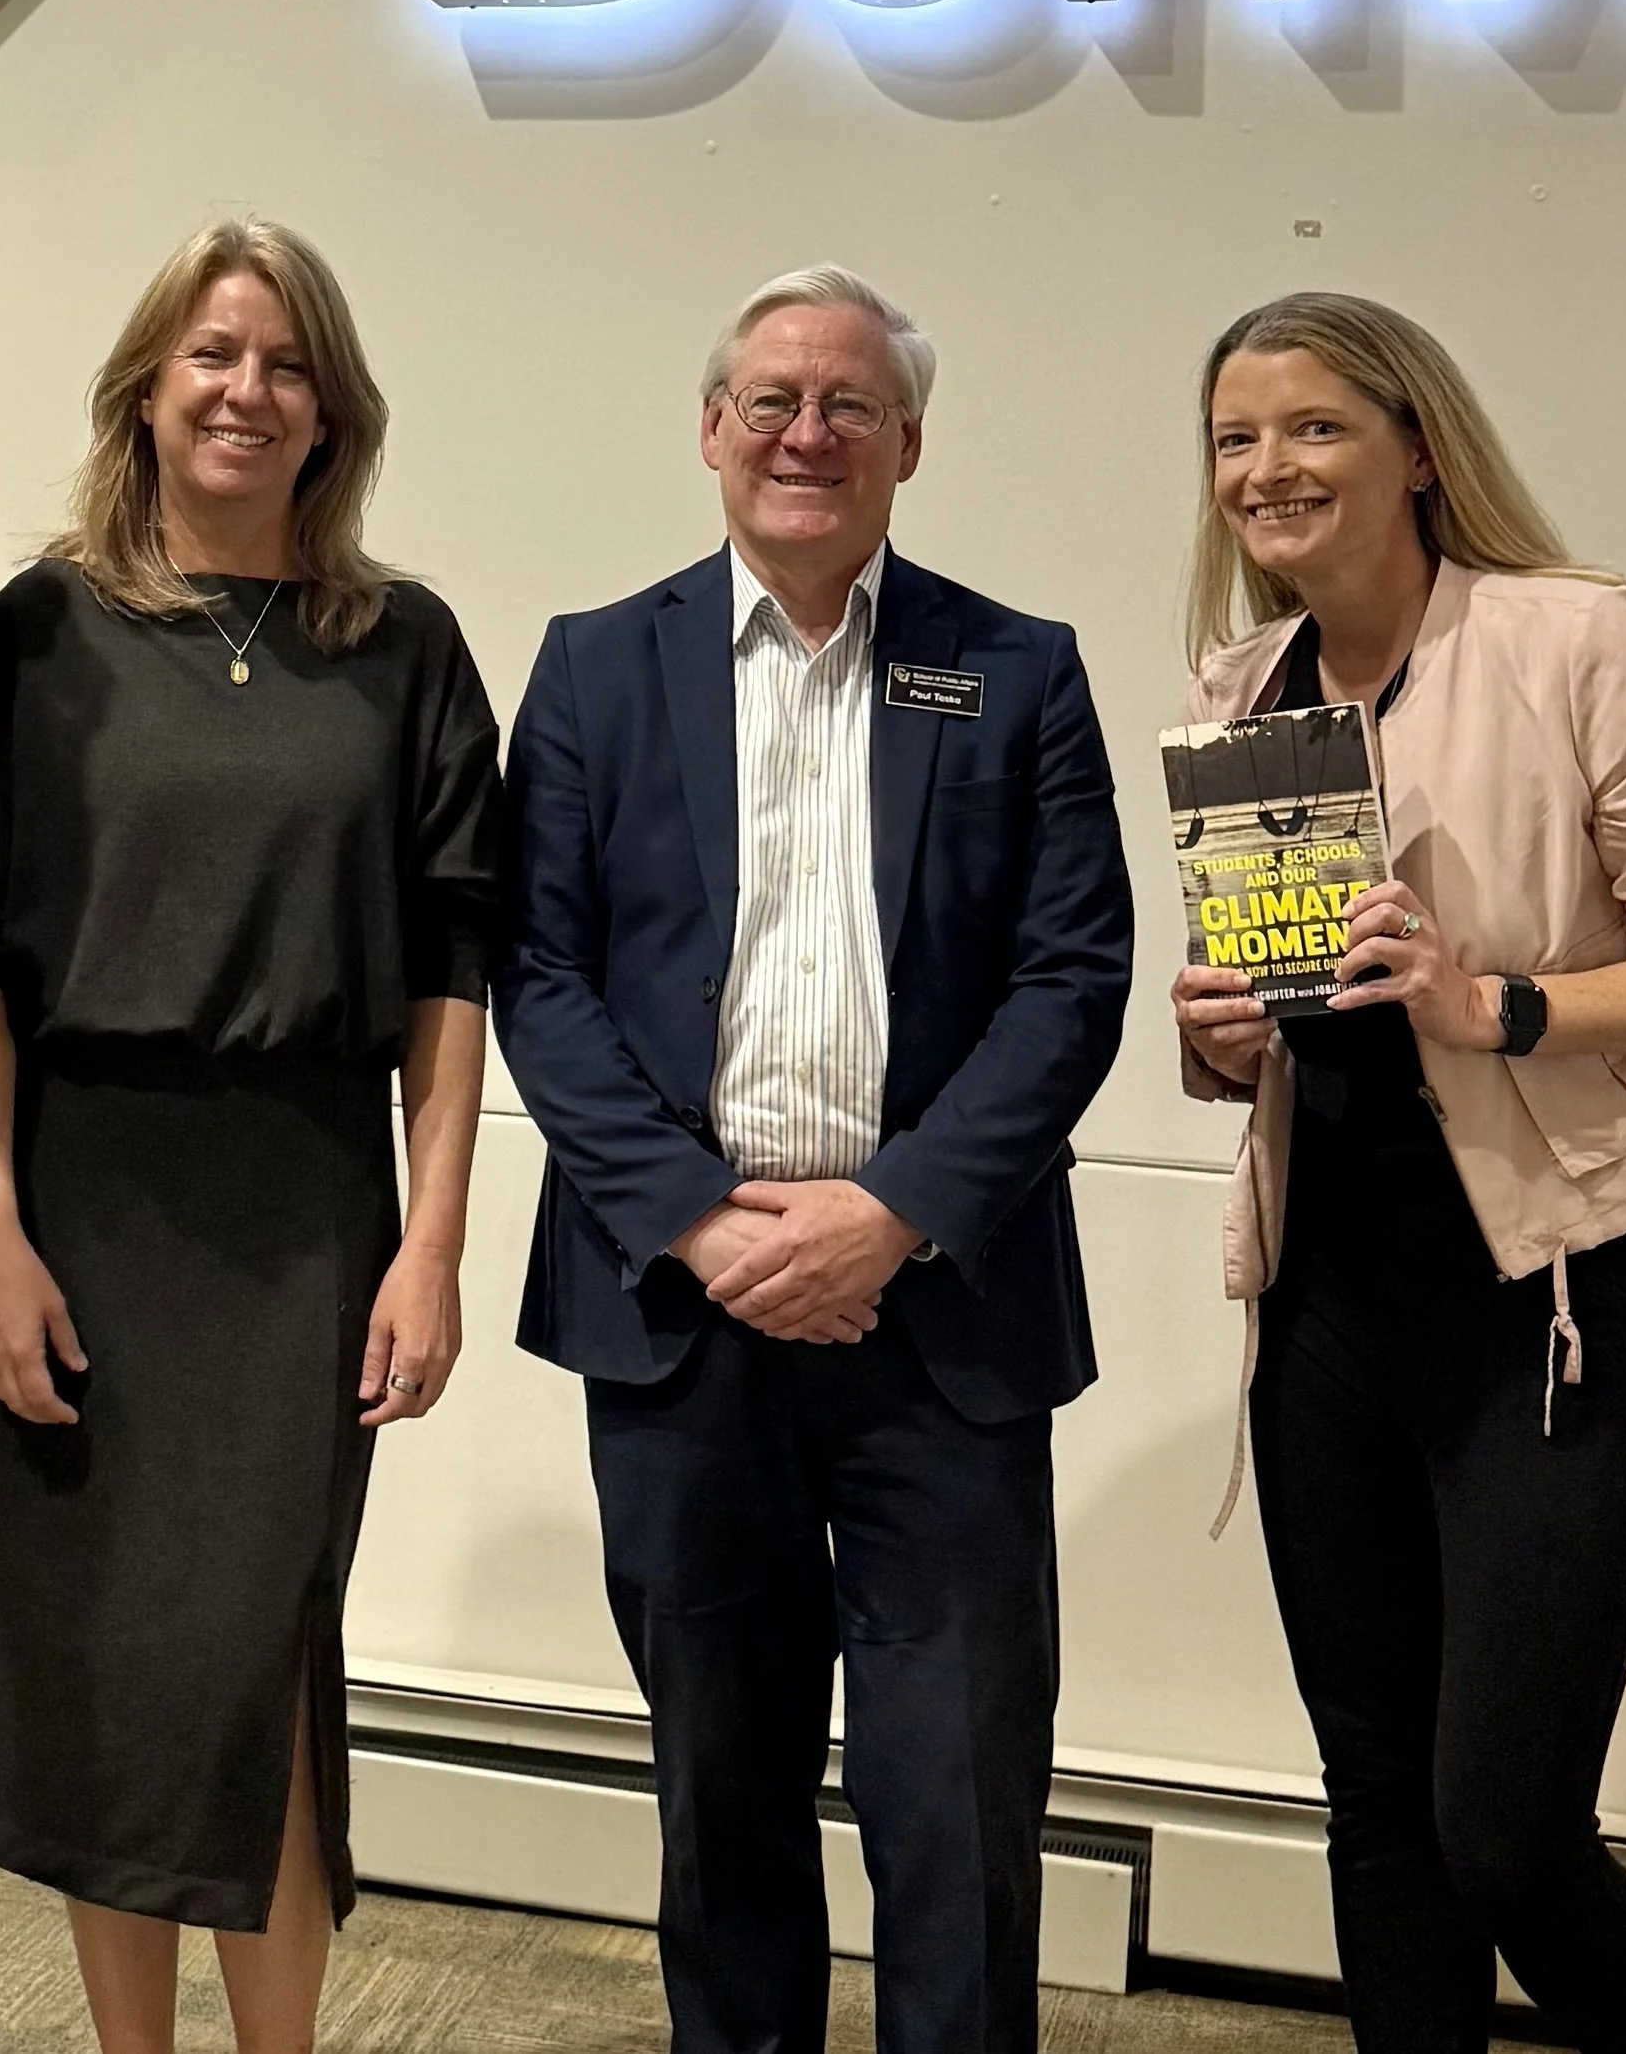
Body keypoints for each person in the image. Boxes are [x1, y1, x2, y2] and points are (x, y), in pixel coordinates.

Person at [496, 265, 1134, 2054]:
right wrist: (703, 1222)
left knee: (958, 1796)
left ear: (908, 443)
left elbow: (1073, 980)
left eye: (850, 404)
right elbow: (537, 975)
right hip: (679, 1315)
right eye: (770, 398)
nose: (807, 432)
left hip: (944, 1324)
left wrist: (892, 1213)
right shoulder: (593, 663)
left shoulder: (1018, 670)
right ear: (710, 430)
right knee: (722, 1781)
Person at [0, 216, 500, 2054]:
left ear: (331, 411)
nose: (249, 390)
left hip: (305, 1205)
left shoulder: (401, 645)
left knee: (258, 1664)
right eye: (214, 355)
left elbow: (453, 970)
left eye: (286, 363)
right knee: (105, 1673)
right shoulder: (41, 629)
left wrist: (433, 1238)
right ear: (148, 390)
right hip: (82, 1196)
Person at [1171, 290, 1626, 2054]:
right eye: (1236, 438)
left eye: (1310, 426)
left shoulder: (1577, 639)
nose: (1267, 467)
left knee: (1508, 1827)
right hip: (1325, 1304)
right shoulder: (1239, 693)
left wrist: (1501, 1000)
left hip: (1555, 1309)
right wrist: (1217, 1034)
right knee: (1378, 1804)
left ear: (1416, 445)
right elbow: (1269, 1029)